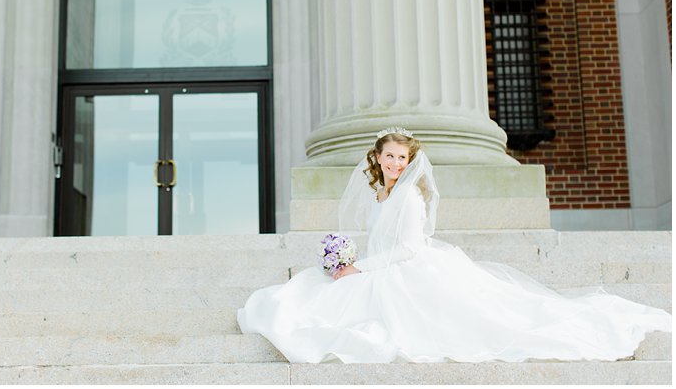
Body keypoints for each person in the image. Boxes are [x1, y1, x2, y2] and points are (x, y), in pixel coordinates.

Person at [237, 127, 672, 363]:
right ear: (378, 158)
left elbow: (407, 250)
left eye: (400, 159)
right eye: (387, 156)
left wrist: (360, 269)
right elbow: (378, 239)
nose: (393, 164)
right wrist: (346, 258)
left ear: (409, 163)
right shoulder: (379, 193)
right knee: (317, 288)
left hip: (405, 270)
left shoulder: (407, 196)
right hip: (379, 264)